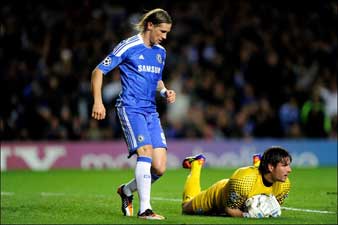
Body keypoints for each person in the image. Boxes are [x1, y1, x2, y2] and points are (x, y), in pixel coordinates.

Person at [90, 8, 176, 220]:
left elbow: (155, 78)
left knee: (160, 167)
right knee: (145, 151)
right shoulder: (128, 46)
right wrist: (98, 102)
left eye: (167, 33)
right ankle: (145, 209)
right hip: (130, 108)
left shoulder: (160, 52)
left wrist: (164, 91)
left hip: (150, 111)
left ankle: (127, 190)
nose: (164, 37)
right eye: (162, 31)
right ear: (150, 25)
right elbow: (98, 71)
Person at [181, 146, 292, 218]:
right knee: (186, 207)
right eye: (284, 166)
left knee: (254, 183)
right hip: (218, 197)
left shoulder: (284, 185)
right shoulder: (243, 181)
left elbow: (271, 208)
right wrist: (247, 215)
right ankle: (196, 164)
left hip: (245, 191)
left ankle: (258, 163)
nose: (289, 170)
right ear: (271, 167)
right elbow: (230, 209)